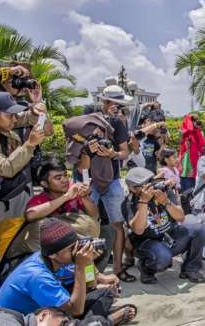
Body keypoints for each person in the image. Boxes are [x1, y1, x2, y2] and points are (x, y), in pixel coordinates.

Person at [0, 218, 135, 325]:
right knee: (81, 316)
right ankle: (105, 321)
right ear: (53, 255)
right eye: (70, 249)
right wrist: (81, 265)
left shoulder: (57, 258)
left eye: (76, 245)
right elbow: (75, 310)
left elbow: (90, 285)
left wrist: (99, 276)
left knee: (105, 292)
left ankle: (94, 320)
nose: (76, 252)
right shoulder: (37, 275)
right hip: (28, 321)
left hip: (49, 308)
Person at [77, 86, 131, 283]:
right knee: (86, 225)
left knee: (117, 224)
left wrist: (113, 154)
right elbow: (76, 152)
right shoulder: (87, 118)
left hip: (112, 179)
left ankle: (117, 268)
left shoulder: (118, 123)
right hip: (86, 179)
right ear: (105, 101)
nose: (116, 108)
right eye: (115, 103)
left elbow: (125, 152)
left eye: (120, 105)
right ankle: (88, 275)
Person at [0, 92, 46, 278]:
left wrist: (37, 105)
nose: (14, 119)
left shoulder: (0, 125)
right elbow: (5, 168)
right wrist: (29, 145)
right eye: (9, 115)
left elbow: (26, 117)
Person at [122, 167, 205, 284]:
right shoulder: (129, 202)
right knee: (163, 257)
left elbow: (181, 217)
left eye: (150, 182)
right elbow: (138, 230)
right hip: (147, 242)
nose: (149, 187)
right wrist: (143, 202)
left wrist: (166, 202)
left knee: (197, 227)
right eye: (143, 185)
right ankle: (146, 267)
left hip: (169, 236)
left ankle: (190, 268)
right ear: (132, 188)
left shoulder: (163, 191)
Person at [5, 160, 100, 259]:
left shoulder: (74, 194)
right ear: (44, 184)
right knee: (42, 224)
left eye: (65, 175)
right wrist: (66, 197)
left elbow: (94, 215)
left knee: (106, 231)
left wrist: (84, 197)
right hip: (42, 253)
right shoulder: (40, 199)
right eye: (58, 178)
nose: (64, 180)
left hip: (67, 246)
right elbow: (30, 215)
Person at [178, 114, 205, 192]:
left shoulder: (198, 132)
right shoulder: (184, 132)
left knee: (192, 189)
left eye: (196, 120)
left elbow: (202, 144)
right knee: (184, 188)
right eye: (193, 120)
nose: (195, 122)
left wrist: (197, 130)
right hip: (184, 163)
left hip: (194, 164)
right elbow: (180, 142)